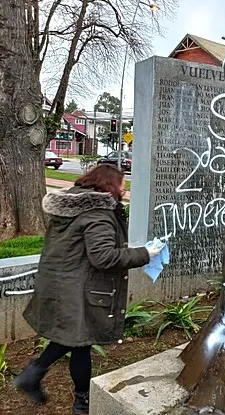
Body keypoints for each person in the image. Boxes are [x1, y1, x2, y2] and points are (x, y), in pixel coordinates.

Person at [13, 165, 163, 414]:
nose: (124, 191)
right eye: (122, 185)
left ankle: (37, 378)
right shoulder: (98, 214)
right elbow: (103, 257)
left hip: (61, 284)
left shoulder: (71, 206)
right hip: (77, 289)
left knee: (77, 342)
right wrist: (144, 254)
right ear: (108, 186)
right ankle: (77, 400)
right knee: (80, 341)